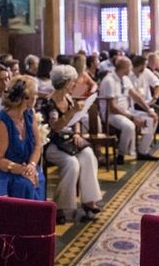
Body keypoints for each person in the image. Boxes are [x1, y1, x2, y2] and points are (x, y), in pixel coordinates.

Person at [43, 66, 102, 224]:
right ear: (66, 82)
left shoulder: (68, 98)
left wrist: (76, 133)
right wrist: (72, 112)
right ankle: (61, 207)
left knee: (88, 154)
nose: (75, 84)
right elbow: (55, 126)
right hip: (52, 144)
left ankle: (89, 201)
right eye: (73, 81)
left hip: (68, 141)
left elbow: (75, 120)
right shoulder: (50, 102)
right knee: (72, 164)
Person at [0, 76, 45, 199]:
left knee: (31, 181)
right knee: (21, 185)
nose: (37, 97)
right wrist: (20, 169)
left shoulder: (29, 115)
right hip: (3, 170)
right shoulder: (2, 121)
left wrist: (31, 165)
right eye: (35, 94)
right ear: (25, 98)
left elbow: (37, 146)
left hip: (26, 167)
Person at [99, 57, 159, 163]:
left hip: (126, 111)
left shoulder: (125, 78)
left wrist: (149, 110)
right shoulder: (109, 80)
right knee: (129, 126)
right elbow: (113, 107)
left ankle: (142, 151)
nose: (131, 69)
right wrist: (132, 118)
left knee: (151, 119)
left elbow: (136, 96)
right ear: (124, 67)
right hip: (110, 114)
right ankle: (121, 155)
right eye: (129, 66)